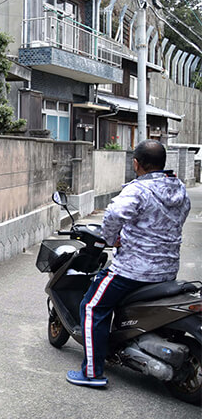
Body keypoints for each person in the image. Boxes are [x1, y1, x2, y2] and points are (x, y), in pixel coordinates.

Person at [67, 139, 191, 388]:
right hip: (167, 271)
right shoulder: (178, 188)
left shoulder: (137, 190)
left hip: (133, 270)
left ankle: (92, 372)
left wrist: (113, 239)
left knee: (92, 306)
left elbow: (113, 215)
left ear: (137, 163)